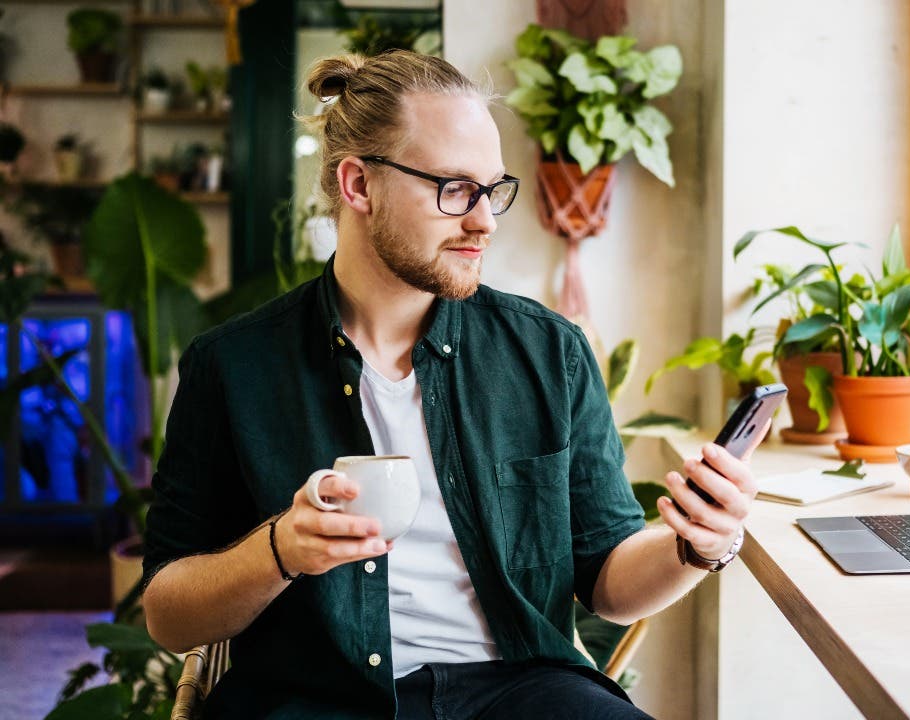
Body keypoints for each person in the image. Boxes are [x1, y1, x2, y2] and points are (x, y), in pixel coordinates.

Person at [141, 50, 763, 719]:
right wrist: (279, 551)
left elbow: (608, 582)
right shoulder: (233, 367)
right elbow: (169, 617)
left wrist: (698, 545)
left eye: (492, 190)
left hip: (522, 690)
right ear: (358, 186)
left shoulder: (549, 352)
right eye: (454, 189)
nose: (485, 221)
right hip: (314, 697)